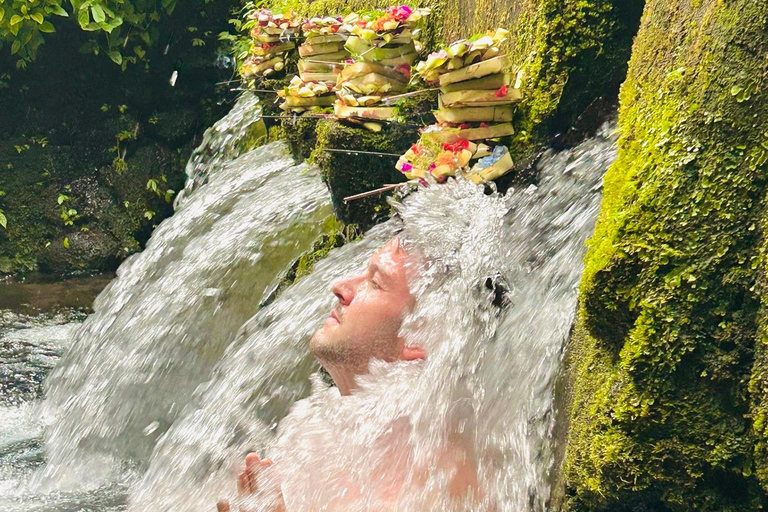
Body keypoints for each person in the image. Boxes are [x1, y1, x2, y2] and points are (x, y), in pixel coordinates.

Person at [217, 238, 480, 512]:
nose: (340, 288)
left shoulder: (447, 485)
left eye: (375, 283)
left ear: (422, 332)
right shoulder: (311, 425)